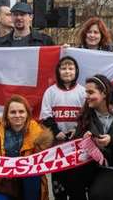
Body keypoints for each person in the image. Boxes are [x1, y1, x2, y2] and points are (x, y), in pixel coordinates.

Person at [0, 95, 52, 200]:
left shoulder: (37, 130)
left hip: (29, 183)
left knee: (32, 174)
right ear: (6, 115)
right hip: (4, 182)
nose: (17, 115)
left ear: (27, 114)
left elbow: (49, 156)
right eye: (13, 112)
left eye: (21, 112)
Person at [40, 56, 86, 200]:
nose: (67, 72)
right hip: (57, 146)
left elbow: (87, 116)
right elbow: (45, 115)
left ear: (76, 71)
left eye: (71, 68)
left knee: (77, 185)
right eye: (64, 68)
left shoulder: (83, 91)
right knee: (59, 186)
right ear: (58, 71)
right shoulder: (51, 92)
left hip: (76, 146)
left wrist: (77, 130)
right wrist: (56, 131)